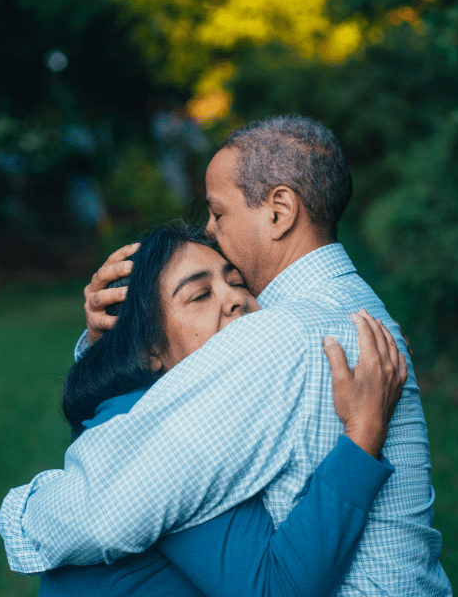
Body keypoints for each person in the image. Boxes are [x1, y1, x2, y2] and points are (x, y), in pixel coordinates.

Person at [0, 115, 451, 596]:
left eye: (218, 212)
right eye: (199, 294)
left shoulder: (278, 335)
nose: (211, 231)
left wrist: (23, 512)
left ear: (279, 211)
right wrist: (110, 340)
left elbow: (101, 510)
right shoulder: (357, 309)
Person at [38, 224, 406, 597]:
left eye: (238, 282)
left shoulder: (167, 402)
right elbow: (274, 588)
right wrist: (364, 433)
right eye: (200, 295)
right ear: (149, 350)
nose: (235, 299)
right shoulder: (167, 435)